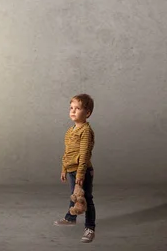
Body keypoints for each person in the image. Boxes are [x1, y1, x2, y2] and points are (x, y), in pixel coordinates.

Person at [53, 94, 96, 243]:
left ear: (87, 113)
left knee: (86, 199)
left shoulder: (85, 131)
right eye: (71, 108)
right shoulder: (70, 131)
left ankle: (90, 228)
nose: (73, 111)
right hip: (71, 170)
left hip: (82, 171)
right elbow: (67, 152)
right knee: (74, 195)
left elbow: (84, 154)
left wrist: (81, 173)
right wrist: (64, 169)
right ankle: (71, 218)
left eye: (77, 108)